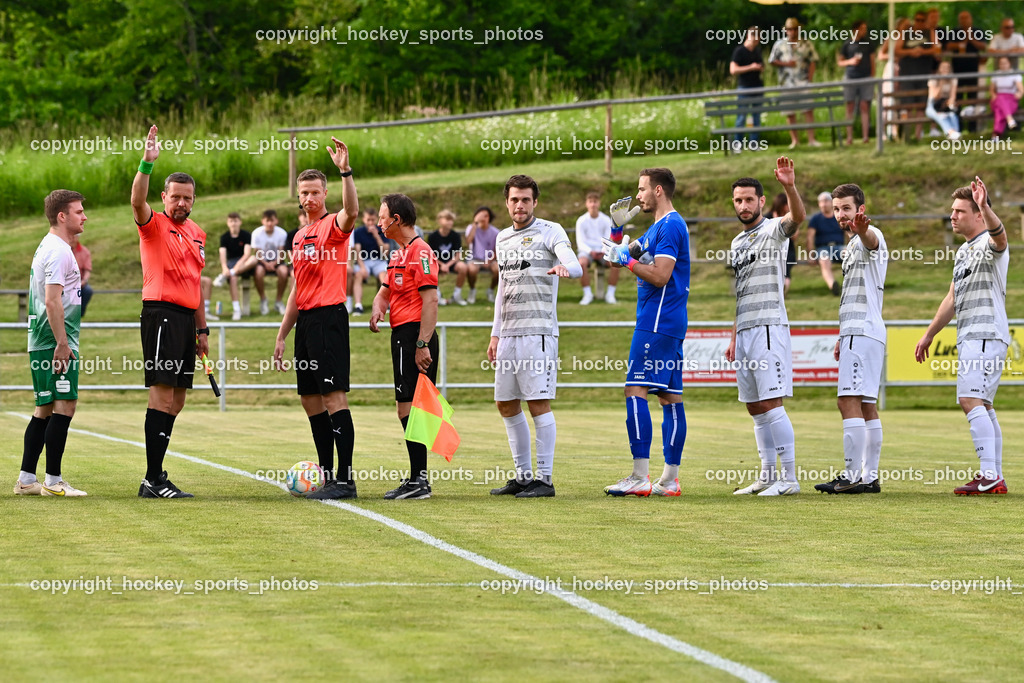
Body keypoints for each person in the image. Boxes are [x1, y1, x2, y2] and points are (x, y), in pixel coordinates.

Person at [274, 138, 359, 500]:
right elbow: (296, 287)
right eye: (303, 193)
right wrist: (281, 334)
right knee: (310, 399)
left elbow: (352, 211)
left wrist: (345, 171)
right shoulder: (297, 237)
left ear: (325, 194)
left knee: (332, 397)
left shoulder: (332, 227)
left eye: (314, 192)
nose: (309, 198)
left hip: (329, 318)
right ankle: (325, 476)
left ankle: (345, 479)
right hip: (306, 323)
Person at [487, 175, 582, 498]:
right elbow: (502, 289)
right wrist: (495, 335)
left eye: (526, 199)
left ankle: (545, 479)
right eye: (514, 199)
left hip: (538, 333)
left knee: (538, 403)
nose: (520, 205)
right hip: (509, 334)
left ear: (535, 202)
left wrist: (568, 268)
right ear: (507, 202)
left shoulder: (550, 230)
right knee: (505, 404)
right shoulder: (501, 239)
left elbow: (574, 262)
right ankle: (523, 476)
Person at [914, 178, 1009, 495]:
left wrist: (984, 204)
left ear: (978, 214)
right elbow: (952, 299)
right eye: (951, 211)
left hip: (985, 332)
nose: (952, 216)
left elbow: (1001, 238)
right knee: (983, 403)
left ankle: (988, 474)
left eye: (959, 210)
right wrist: (929, 334)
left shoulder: (988, 243)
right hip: (974, 335)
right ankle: (994, 475)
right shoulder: (963, 252)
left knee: (969, 400)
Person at [130, 125, 210, 498]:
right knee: (162, 395)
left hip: (185, 319)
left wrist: (202, 330)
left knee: (177, 399)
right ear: (164, 196)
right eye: (175, 197)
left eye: (187, 198)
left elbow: (197, 283)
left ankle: (157, 472)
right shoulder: (153, 225)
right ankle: (152, 478)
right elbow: (136, 201)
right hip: (160, 313)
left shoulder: (197, 232)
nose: (181, 203)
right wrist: (147, 163)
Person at [601, 169, 690, 497]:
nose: (637, 196)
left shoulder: (670, 226)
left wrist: (627, 261)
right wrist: (616, 230)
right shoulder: (656, 228)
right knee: (670, 398)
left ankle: (640, 476)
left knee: (634, 389)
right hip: (667, 323)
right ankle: (670, 480)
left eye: (641, 190)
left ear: (658, 190)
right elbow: (614, 260)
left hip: (657, 322)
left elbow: (662, 275)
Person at [726, 157, 806, 496]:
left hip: (769, 327)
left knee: (772, 402)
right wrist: (733, 335)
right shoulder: (736, 243)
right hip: (745, 329)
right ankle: (767, 476)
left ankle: (789, 479)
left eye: (749, 199)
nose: (743, 205)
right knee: (755, 405)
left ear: (761, 201)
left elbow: (797, 218)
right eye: (738, 200)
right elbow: (740, 291)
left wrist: (789, 186)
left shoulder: (773, 230)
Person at [813, 184, 887, 495]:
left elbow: (871, 240)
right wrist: (842, 336)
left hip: (863, 331)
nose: (841, 214)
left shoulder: (870, 236)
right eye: (837, 208)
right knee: (867, 405)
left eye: (847, 208)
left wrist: (863, 229)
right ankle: (869, 477)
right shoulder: (849, 247)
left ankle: (851, 475)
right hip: (861, 332)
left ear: (861, 209)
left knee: (848, 401)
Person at [15, 189, 89, 497]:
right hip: (53, 341)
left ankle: (27, 480)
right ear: (62, 216)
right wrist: (62, 342)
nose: (84, 216)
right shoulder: (59, 250)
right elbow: (52, 300)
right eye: (78, 211)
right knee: (64, 405)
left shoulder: (47, 245)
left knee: (43, 408)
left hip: (41, 340)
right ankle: (54, 481)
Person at [369, 194, 440, 499]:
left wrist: (422, 344)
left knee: (411, 407)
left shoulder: (421, 251)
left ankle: (419, 481)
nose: (378, 222)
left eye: (382, 217)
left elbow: (431, 300)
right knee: (409, 407)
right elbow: (386, 289)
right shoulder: (398, 253)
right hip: (402, 335)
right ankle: (417, 479)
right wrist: (377, 306)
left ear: (396, 220)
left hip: (414, 336)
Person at [769, 18, 821, 149]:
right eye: (789, 29)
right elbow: (772, 60)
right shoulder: (779, 44)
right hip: (786, 82)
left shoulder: (806, 43)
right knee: (789, 112)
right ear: (786, 30)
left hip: (803, 81)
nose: (792, 31)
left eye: (794, 29)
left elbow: (813, 60)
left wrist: (810, 78)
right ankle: (795, 141)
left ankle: (811, 139)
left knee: (808, 110)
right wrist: (786, 64)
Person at [895, 12, 941, 140]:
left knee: (921, 105)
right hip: (907, 74)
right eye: (917, 20)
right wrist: (910, 51)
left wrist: (922, 52)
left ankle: (918, 134)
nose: (919, 23)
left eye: (922, 20)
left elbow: (936, 49)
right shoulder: (905, 33)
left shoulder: (930, 32)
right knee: (908, 105)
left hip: (923, 73)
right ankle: (908, 135)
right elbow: (896, 50)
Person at [576, 191, 619, 305]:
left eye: (595, 202)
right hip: (587, 251)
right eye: (590, 202)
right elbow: (580, 242)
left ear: (599, 203)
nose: (593, 204)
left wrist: (602, 251)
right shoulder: (581, 220)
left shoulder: (605, 219)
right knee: (581, 263)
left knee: (616, 262)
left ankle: (610, 294)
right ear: (587, 204)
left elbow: (608, 240)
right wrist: (591, 251)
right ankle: (587, 294)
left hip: (602, 251)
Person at [838, 20, 875, 145]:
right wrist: (850, 62)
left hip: (865, 77)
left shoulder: (868, 43)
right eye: (862, 28)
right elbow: (840, 62)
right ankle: (849, 137)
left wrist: (872, 76)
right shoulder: (847, 44)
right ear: (855, 29)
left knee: (865, 106)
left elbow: (872, 61)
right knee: (850, 107)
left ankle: (865, 136)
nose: (865, 31)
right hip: (851, 77)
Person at [943, 11, 988, 111]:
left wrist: (971, 38)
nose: (964, 20)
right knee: (957, 96)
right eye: (962, 18)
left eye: (966, 18)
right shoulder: (954, 32)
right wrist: (961, 44)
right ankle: (958, 122)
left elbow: (983, 46)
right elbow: (948, 45)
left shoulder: (977, 31)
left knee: (972, 96)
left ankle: (972, 124)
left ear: (971, 19)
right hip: (958, 69)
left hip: (973, 69)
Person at [248, 209, 290, 315]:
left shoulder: (281, 233)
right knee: (258, 272)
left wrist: (274, 263)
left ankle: (278, 301)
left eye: (272, 220)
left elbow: (281, 252)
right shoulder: (256, 233)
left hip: (277, 261)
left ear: (276, 221)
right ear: (263, 221)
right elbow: (257, 252)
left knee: (284, 272)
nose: (270, 223)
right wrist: (266, 263)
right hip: (262, 261)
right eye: (267, 221)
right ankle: (263, 299)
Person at [213, 212, 253, 321]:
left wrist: (236, 267)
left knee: (254, 259)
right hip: (231, 264)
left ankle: (227, 275)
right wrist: (224, 268)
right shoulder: (224, 237)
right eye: (231, 221)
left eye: (235, 221)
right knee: (233, 279)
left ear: (240, 222)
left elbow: (247, 254)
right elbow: (222, 254)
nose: (233, 223)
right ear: (227, 223)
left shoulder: (246, 235)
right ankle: (237, 310)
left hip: (244, 264)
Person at [350, 207, 390, 315]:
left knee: (384, 276)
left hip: (379, 260)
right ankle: (358, 306)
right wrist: (362, 267)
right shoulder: (358, 232)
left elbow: (385, 252)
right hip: (364, 261)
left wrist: (376, 236)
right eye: (368, 220)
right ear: (363, 219)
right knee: (358, 275)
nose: (371, 223)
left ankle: (386, 304)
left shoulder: (382, 230)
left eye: (373, 220)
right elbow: (357, 252)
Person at [729, 27, 765, 144]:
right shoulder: (739, 51)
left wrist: (760, 68)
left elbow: (761, 65)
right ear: (748, 37)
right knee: (741, 118)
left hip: (757, 87)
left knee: (756, 117)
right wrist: (751, 67)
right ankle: (738, 144)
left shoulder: (757, 51)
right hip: (744, 88)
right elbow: (733, 70)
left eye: (757, 38)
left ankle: (754, 143)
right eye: (753, 37)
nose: (755, 41)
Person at [426, 209, 468, 306]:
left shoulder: (455, 236)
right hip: (437, 263)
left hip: (451, 263)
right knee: (430, 268)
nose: (450, 222)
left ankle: (456, 295)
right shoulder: (433, 236)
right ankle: (438, 295)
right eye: (447, 219)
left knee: (463, 267)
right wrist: (442, 265)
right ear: (440, 221)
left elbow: (458, 255)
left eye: (451, 220)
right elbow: (431, 255)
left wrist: (447, 265)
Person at [807, 192, 845, 295]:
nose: (824, 204)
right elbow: (810, 237)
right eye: (821, 202)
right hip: (823, 248)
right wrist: (811, 254)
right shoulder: (815, 219)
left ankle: (854, 284)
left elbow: (848, 232)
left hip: (839, 247)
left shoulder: (839, 216)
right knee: (824, 261)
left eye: (826, 201)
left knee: (851, 254)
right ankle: (833, 285)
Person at [462, 206, 500, 304]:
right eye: (480, 215)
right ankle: (472, 290)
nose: (483, 218)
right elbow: (468, 241)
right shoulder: (471, 228)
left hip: (490, 259)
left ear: (489, 218)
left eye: (486, 216)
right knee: (472, 270)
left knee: (499, 270)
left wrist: (489, 260)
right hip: (474, 258)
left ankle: (491, 290)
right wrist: (475, 224)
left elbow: (497, 250)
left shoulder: (495, 232)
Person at [766, 193, 797, 295]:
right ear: (783, 205)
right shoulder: (767, 218)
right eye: (788, 204)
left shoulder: (791, 218)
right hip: (770, 250)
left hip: (788, 250)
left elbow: (794, 236)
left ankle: (783, 289)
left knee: (786, 267)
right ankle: (780, 288)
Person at [926, 61, 962, 140]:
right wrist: (941, 82)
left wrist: (950, 104)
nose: (945, 69)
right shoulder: (934, 78)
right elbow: (934, 97)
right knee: (941, 116)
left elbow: (953, 96)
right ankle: (952, 133)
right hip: (932, 105)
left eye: (947, 67)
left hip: (946, 104)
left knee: (952, 114)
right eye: (943, 67)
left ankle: (954, 135)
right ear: (939, 69)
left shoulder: (953, 79)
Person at [989, 56, 1023, 139]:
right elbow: (991, 90)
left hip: (1010, 100)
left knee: (999, 111)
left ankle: (996, 135)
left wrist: (1019, 94)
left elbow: (1021, 90)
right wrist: (993, 95)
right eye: (1001, 63)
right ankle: (1009, 119)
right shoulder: (996, 74)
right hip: (998, 99)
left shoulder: (1014, 74)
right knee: (1000, 98)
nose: (1003, 65)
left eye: (1005, 63)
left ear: (1009, 63)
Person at [70, 233, 93, 317]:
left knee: (88, 291)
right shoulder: (64, 250)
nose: (72, 238)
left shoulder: (84, 252)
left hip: (79, 282)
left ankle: (80, 313)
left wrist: (84, 281)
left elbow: (87, 270)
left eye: (74, 236)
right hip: (65, 282)